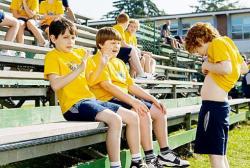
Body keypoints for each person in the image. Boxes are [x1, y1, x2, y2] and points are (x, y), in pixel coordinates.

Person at [44, 18, 147, 168]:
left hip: (90, 100)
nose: (70, 42)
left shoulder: (79, 53)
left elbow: (91, 81)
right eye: (65, 37)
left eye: (73, 37)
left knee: (133, 116)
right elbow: (55, 85)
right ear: (53, 38)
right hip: (73, 105)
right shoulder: (52, 56)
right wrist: (79, 69)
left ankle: (137, 162)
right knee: (115, 120)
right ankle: (115, 166)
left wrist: (101, 65)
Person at [86, 27, 190, 168]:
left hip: (124, 99)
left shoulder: (120, 63)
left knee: (159, 111)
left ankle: (164, 154)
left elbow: (131, 86)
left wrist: (154, 99)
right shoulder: (96, 60)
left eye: (118, 43)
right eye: (112, 43)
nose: (116, 46)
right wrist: (133, 101)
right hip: (107, 101)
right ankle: (148, 159)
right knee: (142, 112)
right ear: (100, 44)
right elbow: (108, 87)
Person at [185, 22, 249, 168]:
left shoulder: (216, 43)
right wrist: (213, 65)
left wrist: (207, 65)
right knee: (220, 155)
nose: (200, 54)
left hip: (213, 107)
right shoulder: (227, 41)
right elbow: (243, 68)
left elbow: (226, 68)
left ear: (200, 40)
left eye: (196, 50)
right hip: (219, 106)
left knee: (215, 156)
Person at [113, 13, 154, 80]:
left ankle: (141, 76)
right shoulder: (119, 28)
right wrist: (134, 48)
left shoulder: (119, 28)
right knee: (132, 51)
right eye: (129, 25)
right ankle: (141, 75)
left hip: (116, 51)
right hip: (114, 52)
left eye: (135, 27)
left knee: (134, 53)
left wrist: (135, 49)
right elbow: (123, 44)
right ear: (127, 23)